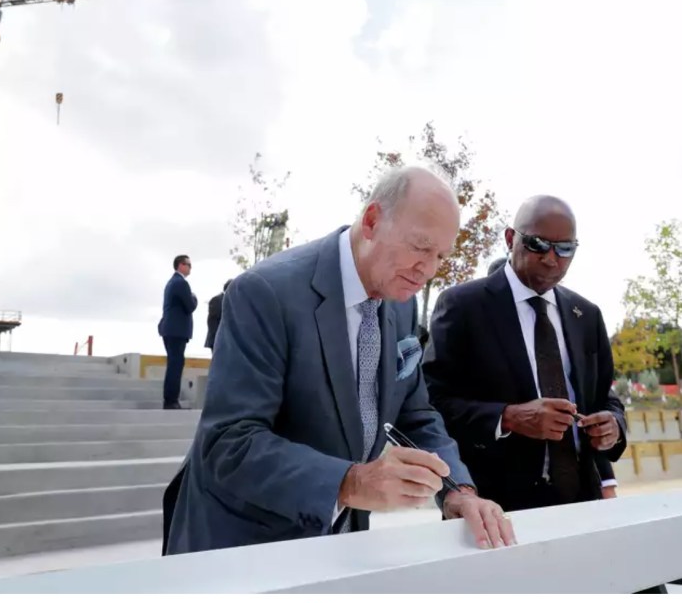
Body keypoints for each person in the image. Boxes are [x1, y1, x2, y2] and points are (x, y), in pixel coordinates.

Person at [163, 167, 515, 555]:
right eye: (419, 247)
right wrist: (349, 482)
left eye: (440, 256)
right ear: (372, 220)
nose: (428, 271)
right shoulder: (265, 292)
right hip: (246, 541)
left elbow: (415, 415)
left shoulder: (400, 303)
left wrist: (458, 491)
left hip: (339, 541)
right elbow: (229, 443)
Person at [422, 195, 624, 514]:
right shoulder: (463, 307)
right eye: (538, 244)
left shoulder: (586, 315)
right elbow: (431, 403)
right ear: (510, 238)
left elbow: (604, 397)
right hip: (495, 510)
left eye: (565, 248)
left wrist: (614, 425)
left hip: (584, 505)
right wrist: (508, 417)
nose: (551, 258)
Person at [157, 255, 197, 410]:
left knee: (174, 363)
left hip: (170, 329)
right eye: (188, 265)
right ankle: (171, 400)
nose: (190, 268)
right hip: (176, 330)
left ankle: (170, 399)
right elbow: (190, 306)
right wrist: (194, 298)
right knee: (176, 364)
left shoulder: (171, 283)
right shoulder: (181, 283)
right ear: (180, 265)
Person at [204, 279, 232, 350]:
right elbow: (212, 321)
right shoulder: (217, 300)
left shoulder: (234, 301)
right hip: (217, 340)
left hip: (229, 341)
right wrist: (218, 337)